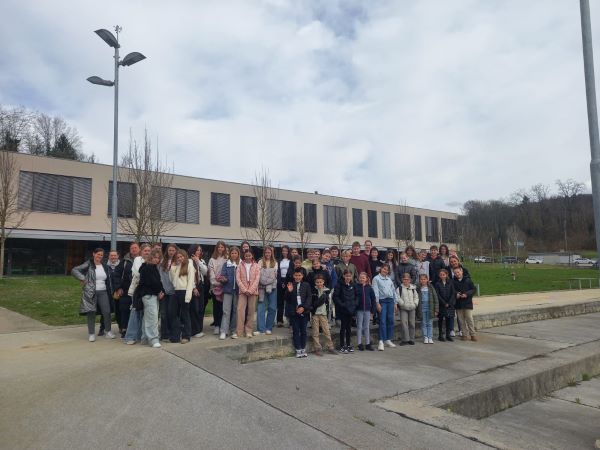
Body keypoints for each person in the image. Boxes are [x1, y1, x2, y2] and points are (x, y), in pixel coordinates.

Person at [72, 248, 115, 342]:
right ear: (93, 254)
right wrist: (82, 278)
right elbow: (74, 270)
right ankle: (91, 334)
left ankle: (108, 331)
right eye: (98, 254)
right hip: (90, 292)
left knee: (107, 312)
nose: (99, 256)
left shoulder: (104, 266)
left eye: (101, 255)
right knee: (91, 313)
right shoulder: (88, 264)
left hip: (103, 292)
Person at [124, 244, 151, 345]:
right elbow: (138, 273)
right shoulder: (137, 259)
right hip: (137, 290)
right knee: (135, 312)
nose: (147, 252)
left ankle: (140, 335)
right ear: (141, 252)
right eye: (145, 250)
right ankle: (130, 336)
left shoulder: (152, 260)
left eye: (149, 251)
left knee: (145, 313)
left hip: (148, 291)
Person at [138, 248, 165, 348]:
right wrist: (160, 291)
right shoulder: (148, 268)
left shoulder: (151, 267)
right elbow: (153, 282)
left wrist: (160, 291)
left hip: (151, 294)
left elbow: (157, 282)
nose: (156, 259)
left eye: (158, 258)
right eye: (154, 257)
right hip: (149, 294)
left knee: (148, 317)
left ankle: (145, 338)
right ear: (150, 257)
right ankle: (153, 339)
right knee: (152, 318)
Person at [113, 242, 140, 338]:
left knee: (137, 310)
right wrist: (118, 288)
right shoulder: (124, 261)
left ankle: (136, 329)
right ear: (130, 250)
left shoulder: (142, 260)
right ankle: (124, 329)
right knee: (124, 310)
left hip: (138, 290)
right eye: (132, 248)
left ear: (139, 249)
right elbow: (117, 275)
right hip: (125, 290)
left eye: (135, 248)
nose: (134, 249)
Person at [284, 267, 311, 358]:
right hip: (294, 312)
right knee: (296, 331)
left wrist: (303, 307)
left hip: (304, 311)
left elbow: (309, 298)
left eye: (299, 275)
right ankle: (298, 349)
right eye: (296, 275)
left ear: (302, 276)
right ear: (293, 276)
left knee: (303, 331)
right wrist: (289, 291)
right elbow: (287, 299)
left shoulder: (306, 285)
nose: (298, 277)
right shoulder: (291, 284)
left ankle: (303, 348)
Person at [170, 249, 196, 344]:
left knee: (185, 315)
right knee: (174, 314)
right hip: (176, 292)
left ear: (185, 256)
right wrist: (173, 267)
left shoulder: (190, 266)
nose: (180, 258)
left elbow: (190, 282)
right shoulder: (177, 266)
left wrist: (188, 297)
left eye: (181, 256)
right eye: (178, 257)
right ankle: (175, 336)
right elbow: (173, 280)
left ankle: (186, 336)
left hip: (185, 292)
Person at [372, 264, 398, 351]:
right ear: (381, 269)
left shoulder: (389, 279)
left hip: (390, 301)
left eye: (387, 270)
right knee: (382, 321)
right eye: (384, 269)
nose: (385, 271)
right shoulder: (376, 279)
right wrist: (377, 303)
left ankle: (388, 339)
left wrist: (395, 303)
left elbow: (393, 291)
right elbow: (375, 291)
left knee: (390, 320)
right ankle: (381, 341)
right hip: (382, 301)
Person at [310, 274, 336, 356]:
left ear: (323, 282)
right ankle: (317, 348)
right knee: (315, 332)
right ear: (315, 283)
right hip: (315, 314)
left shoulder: (327, 291)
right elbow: (312, 302)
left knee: (326, 331)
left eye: (320, 282)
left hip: (323, 313)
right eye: (317, 282)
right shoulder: (313, 291)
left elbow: (328, 302)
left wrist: (328, 312)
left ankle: (330, 347)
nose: (319, 284)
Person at [236, 250, 260, 338]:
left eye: (249, 255)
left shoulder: (256, 266)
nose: (248, 257)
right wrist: (244, 289)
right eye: (246, 255)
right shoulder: (240, 265)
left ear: (252, 256)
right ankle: (239, 332)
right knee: (240, 310)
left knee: (251, 311)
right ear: (244, 256)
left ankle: (249, 331)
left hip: (253, 292)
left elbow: (257, 279)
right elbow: (238, 278)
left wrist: (251, 290)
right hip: (243, 291)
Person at [333, 269, 358, 353]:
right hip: (343, 310)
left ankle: (348, 344)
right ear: (343, 276)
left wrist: (354, 304)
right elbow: (335, 297)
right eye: (346, 276)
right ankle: (342, 345)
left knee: (349, 328)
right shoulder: (339, 285)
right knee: (343, 328)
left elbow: (357, 296)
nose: (348, 278)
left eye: (349, 276)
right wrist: (342, 304)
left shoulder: (353, 285)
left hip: (351, 310)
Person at [256, 246, 278, 335]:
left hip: (273, 287)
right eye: (266, 252)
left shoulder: (275, 262)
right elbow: (259, 274)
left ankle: (269, 327)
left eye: (269, 252)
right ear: (264, 253)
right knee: (261, 307)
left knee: (272, 307)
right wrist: (267, 275)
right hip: (261, 287)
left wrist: (265, 274)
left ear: (271, 253)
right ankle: (261, 329)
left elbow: (274, 276)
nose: (267, 254)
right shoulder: (260, 262)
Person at [219, 246, 240, 339]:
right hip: (228, 290)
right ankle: (224, 331)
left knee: (236, 311)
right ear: (230, 254)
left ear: (238, 254)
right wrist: (224, 279)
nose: (234, 255)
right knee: (226, 311)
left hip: (238, 291)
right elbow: (223, 275)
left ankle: (233, 329)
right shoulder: (226, 264)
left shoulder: (241, 264)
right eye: (232, 253)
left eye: (235, 253)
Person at [158, 244, 177, 341]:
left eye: (173, 250)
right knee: (163, 313)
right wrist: (161, 289)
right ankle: (164, 334)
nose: (171, 252)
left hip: (174, 291)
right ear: (167, 251)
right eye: (170, 250)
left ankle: (172, 333)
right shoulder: (162, 262)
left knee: (171, 312)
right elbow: (160, 276)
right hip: (164, 291)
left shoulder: (178, 261)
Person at [99, 249, 120, 336]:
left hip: (119, 292)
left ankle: (121, 328)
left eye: (115, 255)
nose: (113, 257)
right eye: (111, 255)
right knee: (105, 311)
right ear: (109, 257)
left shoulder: (121, 265)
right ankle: (102, 328)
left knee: (119, 310)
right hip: (107, 292)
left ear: (118, 256)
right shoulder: (104, 266)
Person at [208, 241, 228, 336]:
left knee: (224, 308)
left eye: (222, 247)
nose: (220, 249)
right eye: (219, 247)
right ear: (216, 248)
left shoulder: (227, 259)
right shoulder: (212, 260)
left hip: (225, 287)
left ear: (224, 248)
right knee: (216, 307)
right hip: (215, 287)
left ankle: (223, 326)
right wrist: (216, 283)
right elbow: (211, 274)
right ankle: (217, 325)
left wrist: (224, 282)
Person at [189, 244, 208, 338]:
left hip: (201, 285)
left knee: (201, 308)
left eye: (200, 250)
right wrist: (193, 288)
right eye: (197, 250)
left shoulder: (202, 261)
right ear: (193, 250)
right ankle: (194, 330)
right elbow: (190, 276)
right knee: (194, 309)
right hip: (193, 286)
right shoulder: (189, 261)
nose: (199, 252)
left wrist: (198, 261)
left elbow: (205, 272)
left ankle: (199, 329)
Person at [453, 267, 477, 341]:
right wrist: (456, 294)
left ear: (462, 272)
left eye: (458, 272)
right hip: (458, 304)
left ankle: (472, 334)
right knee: (461, 320)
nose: (457, 274)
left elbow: (473, 289)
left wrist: (466, 294)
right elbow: (452, 290)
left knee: (469, 319)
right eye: (455, 273)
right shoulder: (453, 281)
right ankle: (464, 335)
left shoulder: (468, 280)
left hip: (467, 303)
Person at [356, 272, 376, 351]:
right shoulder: (356, 287)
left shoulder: (369, 288)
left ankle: (368, 343)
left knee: (366, 327)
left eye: (363, 278)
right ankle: (359, 343)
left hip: (367, 310)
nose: (362, 279)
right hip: (359, 310)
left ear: (366, 279)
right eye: (360, 277)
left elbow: (373, 299)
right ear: (358, 278)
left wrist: (373, 310)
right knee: (359, 327)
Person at [397, 272, 418, 346]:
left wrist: (415, 304)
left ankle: (411, 339)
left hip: (412, 308)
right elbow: (398, 297)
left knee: (412, 323)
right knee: (404, 323)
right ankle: (405, 339)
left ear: (410, 280)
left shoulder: (413, 288)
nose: (406, 281)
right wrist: (402, 304)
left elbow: (416, 297)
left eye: (407, 279)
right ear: (402, 280)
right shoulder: (399, 288)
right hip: (403, 308)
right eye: (404, 279)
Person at [434, 268, 455, 342]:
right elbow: (437, 294)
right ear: (439, 276)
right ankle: (440, 335)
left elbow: (453, 293)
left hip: (449, 305)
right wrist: (444, 303)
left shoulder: (450, 283)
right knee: (440, 320)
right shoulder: (437, 284)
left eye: (444, 274)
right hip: (441, 305)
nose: (442, 276)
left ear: (446, 275)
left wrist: (449, 303)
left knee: (448, 320)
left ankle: (448, 335)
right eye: (441, 275)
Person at [417, 273, 438, 344]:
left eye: (424, 279)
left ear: (427, 279)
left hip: (430, 307)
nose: (423, 280)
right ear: (419, 280)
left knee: (430, 323)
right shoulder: (418, 288)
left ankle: (430, 337)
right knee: (423, 323)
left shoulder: (431, 287)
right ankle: (425, 337)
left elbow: (435, 298)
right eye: (421, 279)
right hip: (422, 307)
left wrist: (436, 309)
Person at [276, 245, 291, 327]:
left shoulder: (291, 260)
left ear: (288, 252)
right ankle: (279, 320)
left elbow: (291, 271)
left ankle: (289, 320)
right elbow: (277, 272)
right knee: (280, 302)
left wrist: (286, 282)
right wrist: (280, 282)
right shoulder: (279, 261)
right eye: (283, 251)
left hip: (288, 281)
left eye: (286, 251)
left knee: (289, 301)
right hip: (280, 281)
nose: (284, 252)